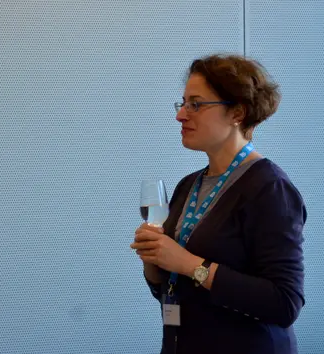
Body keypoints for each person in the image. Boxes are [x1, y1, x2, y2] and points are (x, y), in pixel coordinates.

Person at [131, 54, 306, 354]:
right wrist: (154, 260)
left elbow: (284, 303)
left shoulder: (269, 188)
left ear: (237, 112)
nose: (181, 115)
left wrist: (189, 264)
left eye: (195, 104)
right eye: (183, 103)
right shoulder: (189, 185)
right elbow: (173, 289)